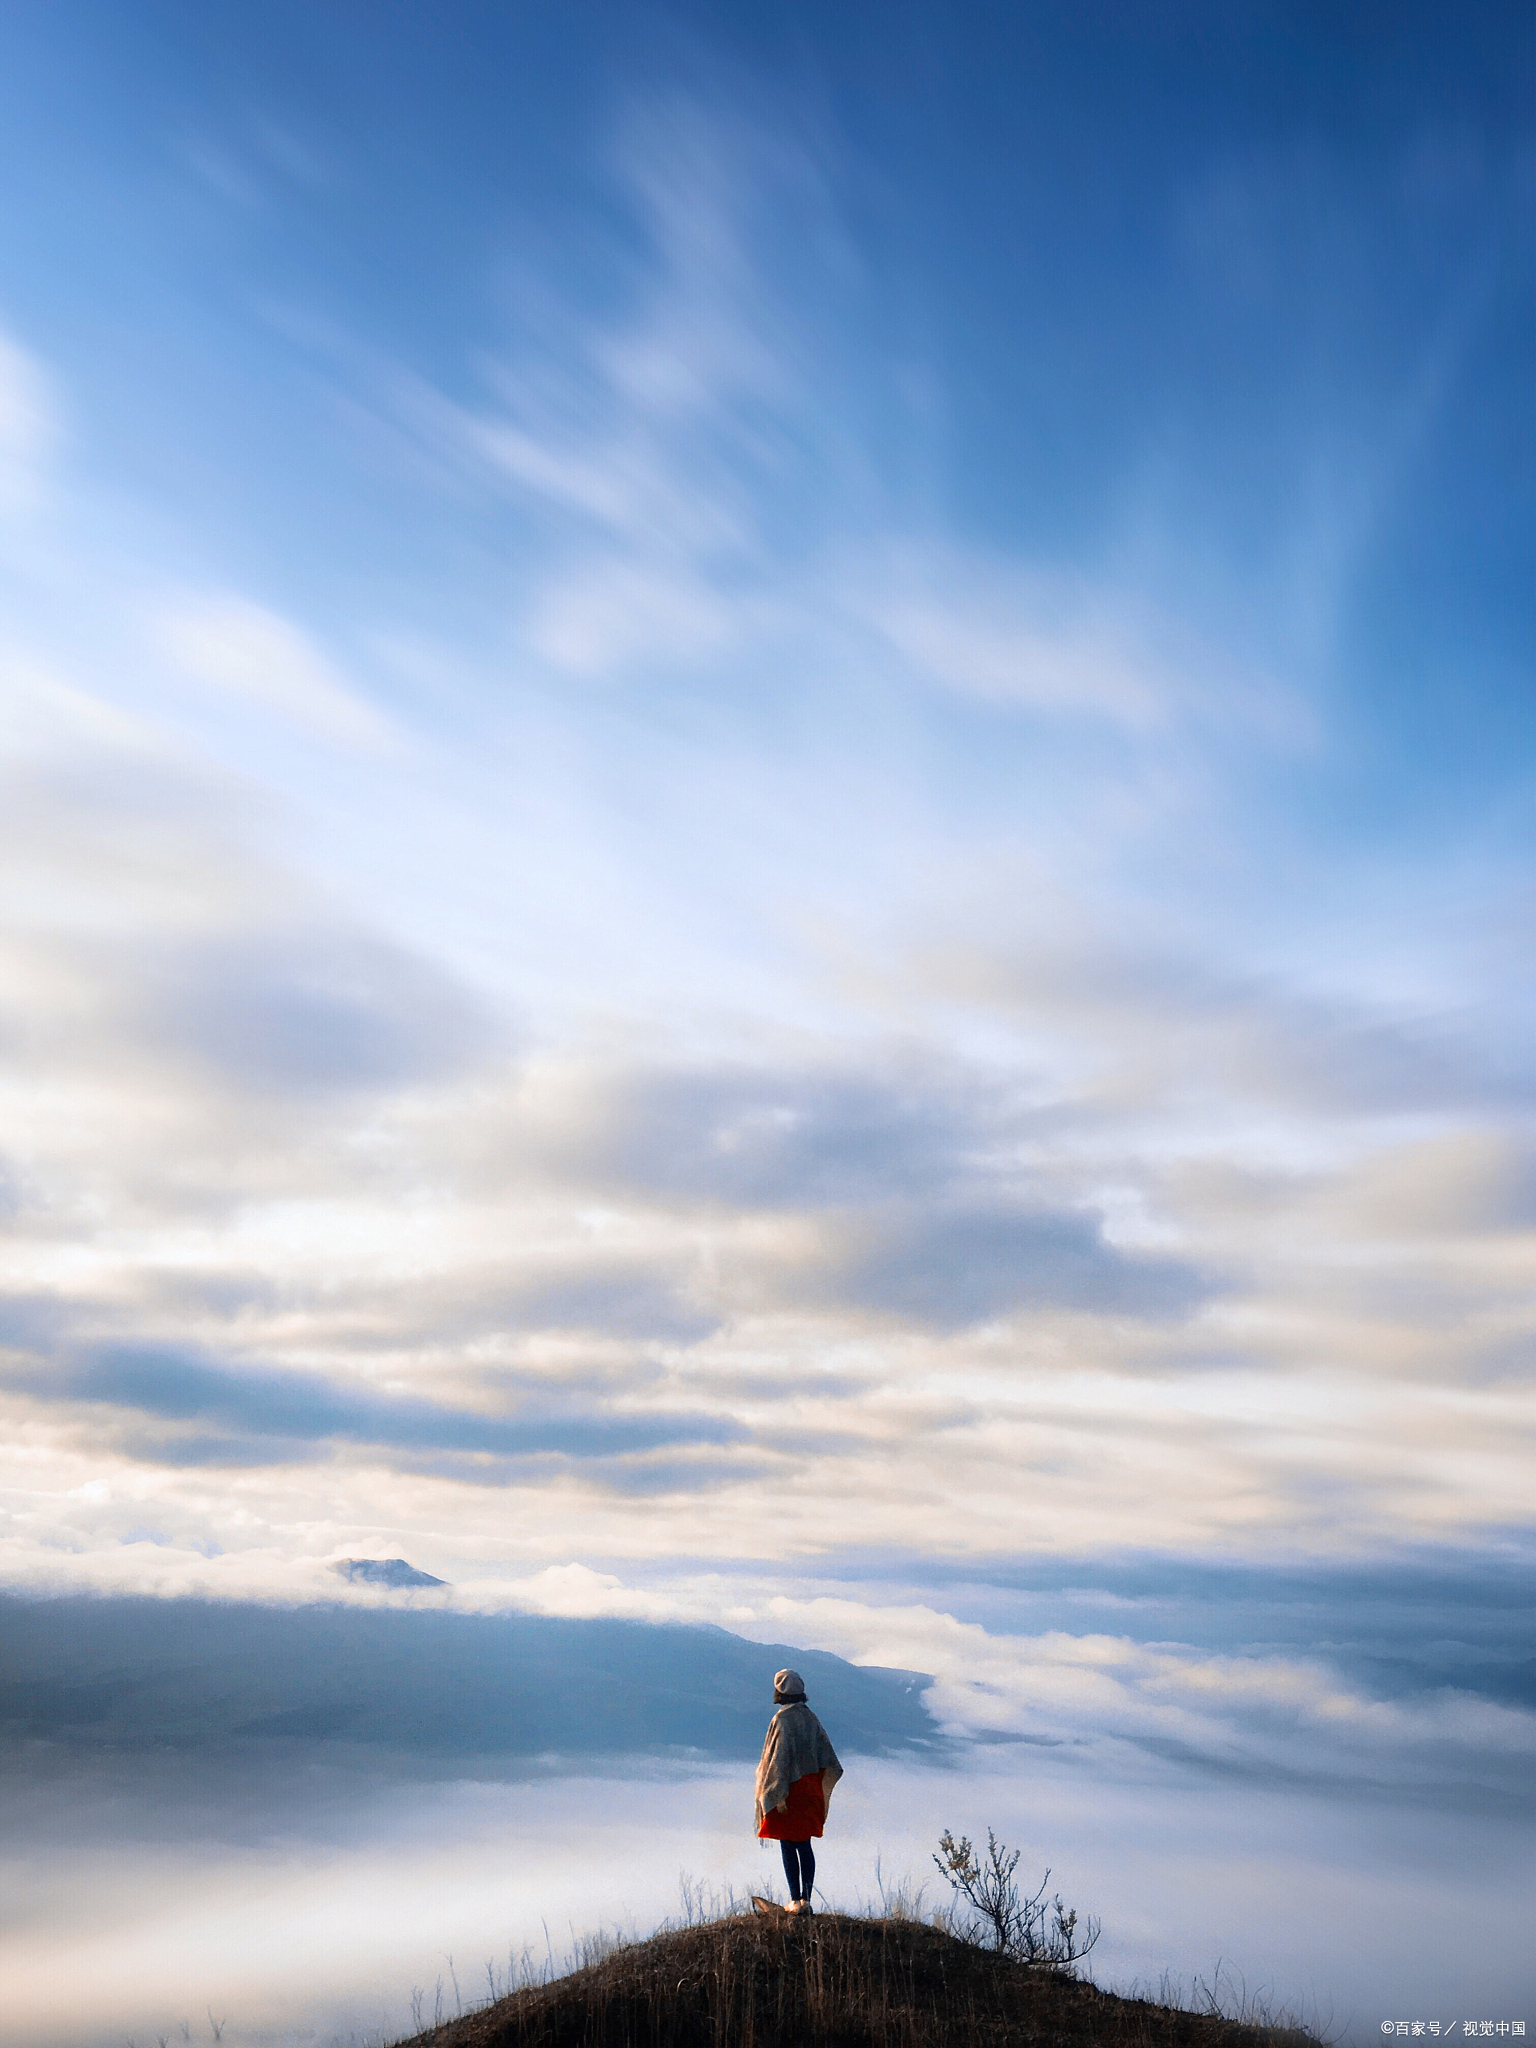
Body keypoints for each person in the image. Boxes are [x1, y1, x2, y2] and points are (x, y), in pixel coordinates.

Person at [754, 1667, 842, 1913]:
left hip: (789, 1792)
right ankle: (807, 1900)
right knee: (804, 1844)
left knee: (787, 1843)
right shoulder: (811, 1718)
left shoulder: (781, 1720)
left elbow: (777, 1761)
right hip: (810, 1787)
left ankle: (794, 1900)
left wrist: (774, 1791)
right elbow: (828, 1756)